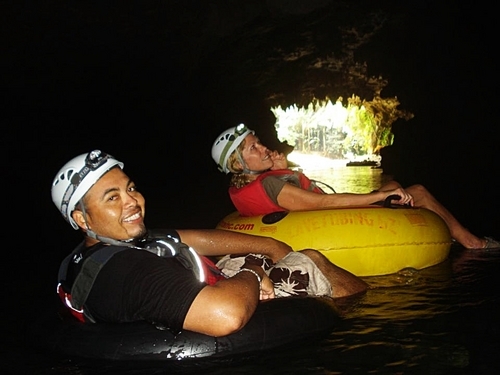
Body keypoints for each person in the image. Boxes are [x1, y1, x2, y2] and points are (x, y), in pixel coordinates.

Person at [52, 150, 367, 337]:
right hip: (222, 305)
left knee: (251, 253)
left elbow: (192, 238)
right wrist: (256, 272)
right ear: (82, 219)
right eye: (112, 198)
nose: (133, 202)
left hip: (205, 287)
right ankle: (362, 314)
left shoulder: (98, 251)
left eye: (130, 188)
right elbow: (225, 315)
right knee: (309, 259)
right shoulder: (126, 272)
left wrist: (267, 245)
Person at [212, 124, 500, 250]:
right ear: (238, 164)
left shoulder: (247, 185)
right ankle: (472, 243)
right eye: (253, 148)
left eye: (258, 142)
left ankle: (440, 229)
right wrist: (378, 195)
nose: (263, 148)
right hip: (326, 224)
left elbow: (294, 196)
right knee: (419, 191)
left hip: (309, 220)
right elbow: (321, 204)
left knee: (397, 185)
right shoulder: (272, 184)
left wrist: (281, 168)